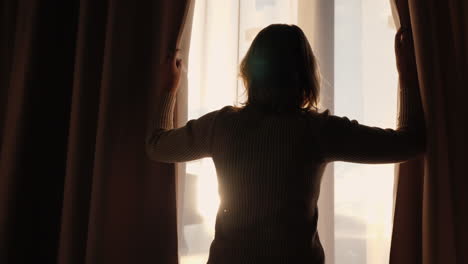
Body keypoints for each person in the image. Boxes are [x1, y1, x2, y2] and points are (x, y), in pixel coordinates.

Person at [146, 24, 426, 264]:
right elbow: (409, 143)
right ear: (305, 76)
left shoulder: (221, 126)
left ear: (250, 72)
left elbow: (157, 146)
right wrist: (407, 77)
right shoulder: (318, 130)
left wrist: (169, 90)